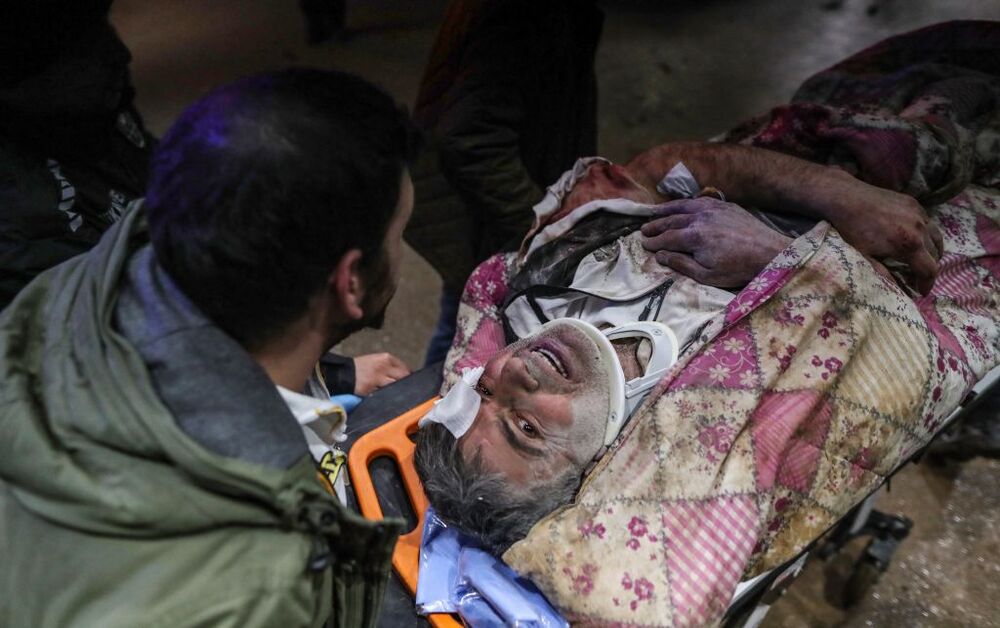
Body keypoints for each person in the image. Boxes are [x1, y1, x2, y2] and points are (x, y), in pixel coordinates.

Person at [0, 68, 420, 627]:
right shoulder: (259, 590)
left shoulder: (66, 290)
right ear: (350, 282)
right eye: (398, 236)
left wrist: (334, 375)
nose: (402, 253)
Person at [0, 2, 409, 397]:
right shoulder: (23, 228)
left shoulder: (96, 118)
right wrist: (328, 377)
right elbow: (141, 357)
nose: (119, 52)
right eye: (83, 47)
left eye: (104, 26)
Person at [406, 0, 604, 364]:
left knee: (464, 326)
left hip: (508, 210)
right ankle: (431, 412)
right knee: (465, 335)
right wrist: (542, 225)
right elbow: (471, 137)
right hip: (489, 222)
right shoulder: (524, 13)